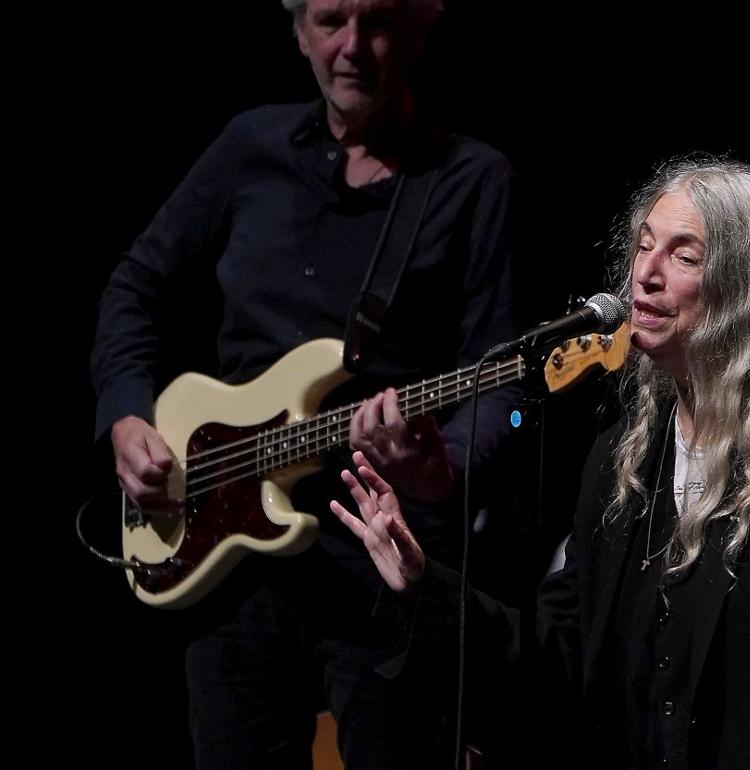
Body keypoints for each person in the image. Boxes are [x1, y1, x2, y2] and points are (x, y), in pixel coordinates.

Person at [331, 157, 750, 769]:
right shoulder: (625, 457)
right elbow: (561, 655)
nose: (646, 274)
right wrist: (426, 585)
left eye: (684, 256)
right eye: (643, 247)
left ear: (747, 286)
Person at [90, 0, 521, 766]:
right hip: (226, 551)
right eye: (330, 20)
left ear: (422, 27)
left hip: (382, 557)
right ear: (296, 32)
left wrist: (440, 466)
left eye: (379, 21)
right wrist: (126, 415)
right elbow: (135, 287)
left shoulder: (471, 178)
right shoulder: (249, 144)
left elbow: (500, 379)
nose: (353, 47)